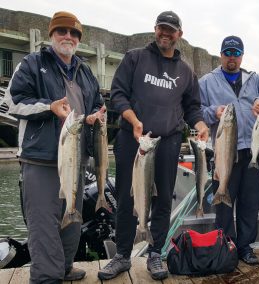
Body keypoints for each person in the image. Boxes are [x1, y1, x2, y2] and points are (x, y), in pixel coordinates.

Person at [97, 11, 209, 281]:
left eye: (171, 30)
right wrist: (133, 119)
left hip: (169, 142)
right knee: (126, 196)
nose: (165, 33)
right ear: (155, 29)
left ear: (179, 35)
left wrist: (201, 123)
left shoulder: (186, 72)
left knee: (162, 199)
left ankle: (155, 253)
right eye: (162, 28)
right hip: (132, 140)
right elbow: (119, 94)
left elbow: (192, 107)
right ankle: (122, 255)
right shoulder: (135, 58)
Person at [5, 11, 105, 283]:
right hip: (41, 160)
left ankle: (63, 266)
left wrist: (97, 114)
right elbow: (12, 102)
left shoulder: (85, 71)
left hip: (77, 157)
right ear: (51, 34)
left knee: (72, 219)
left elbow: (96, 102)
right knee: (43, 224)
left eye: (74, 33)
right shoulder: (32, 63)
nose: (68, 37)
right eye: (62, 31)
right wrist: (49, 107)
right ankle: (47, 277)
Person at [199, 35, 259, 265]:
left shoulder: (255, 79)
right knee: (224, 202)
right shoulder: (207, 81)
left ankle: (245, 246)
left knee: (249, 203)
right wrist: (212, 112)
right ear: (221, 55)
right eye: (228, 53)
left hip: (252, 151)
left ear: (242, 56)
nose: (232, 57)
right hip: (224, 151)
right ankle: (226, 244)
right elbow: (194, 110)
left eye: (236, 53)